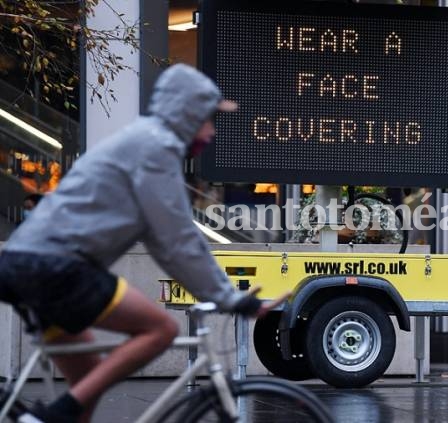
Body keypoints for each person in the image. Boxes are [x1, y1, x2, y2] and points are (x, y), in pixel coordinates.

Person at [0, 64, 288, 423]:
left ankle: (60, 415)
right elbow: (177, 240)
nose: (212, 132)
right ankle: (52, 416)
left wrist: (219, 293)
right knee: (162, 329)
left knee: (88, 386)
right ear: (187, 113)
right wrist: (229, 297)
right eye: (208, 119)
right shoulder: (156, 147)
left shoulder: (142, 140)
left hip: (29, 263)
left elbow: (163, 241)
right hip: (56, 266)